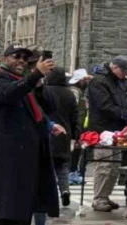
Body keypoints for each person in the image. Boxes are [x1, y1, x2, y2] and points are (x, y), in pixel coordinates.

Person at [0, 45, 64, 225]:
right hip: (12, 156)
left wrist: (39, 82)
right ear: (5, 58)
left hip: (31, 154)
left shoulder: (27, 82)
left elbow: (49, 107)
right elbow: (8, 94)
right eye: (16, 56)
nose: (21, 60)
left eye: (25, 58)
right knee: (11, 210)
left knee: (25, 208)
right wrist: (35, 75)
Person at [86, 56, 127, 213]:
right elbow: (105, 106)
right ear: (115, 68)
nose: (125, 74)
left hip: (115, 129)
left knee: (114, 166)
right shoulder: (100, 81)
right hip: (103, 130)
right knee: (104, 165)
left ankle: (105, 195)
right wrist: (124, 114)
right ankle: (99, 198)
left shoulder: (118, 82)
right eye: (123, 71)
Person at [44, 67, 79, 207]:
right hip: (65, 133)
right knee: (62, 164)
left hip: (48, 132)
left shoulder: (45, 91)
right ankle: (64, 190)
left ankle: (49, 193)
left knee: (47, 166)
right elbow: (75, 116)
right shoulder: (69, 94)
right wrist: (76, 135)